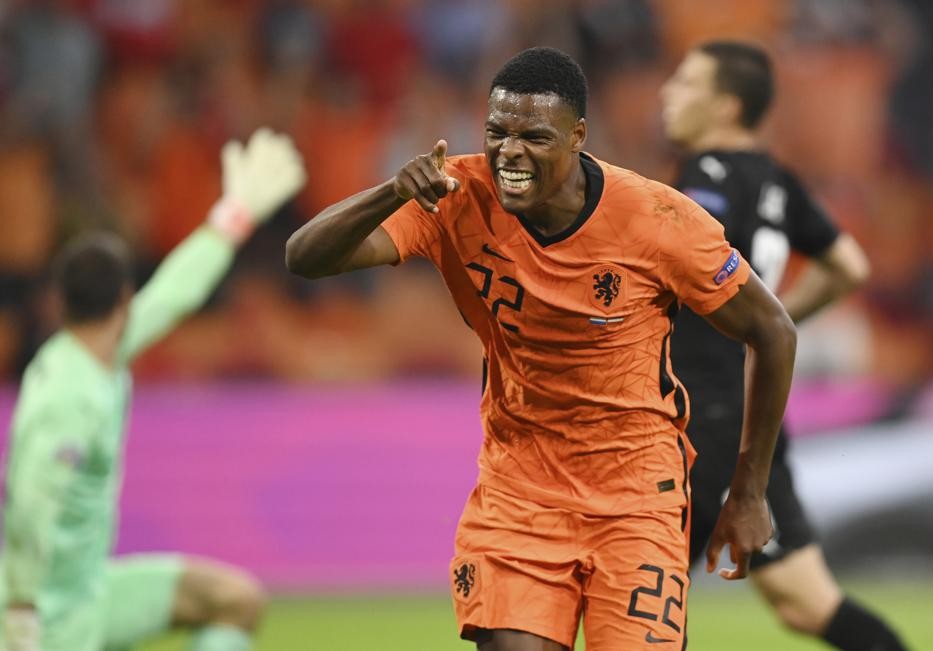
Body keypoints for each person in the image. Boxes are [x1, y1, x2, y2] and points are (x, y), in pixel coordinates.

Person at [287, 46, 796, 651]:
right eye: (497, 132)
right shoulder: (454, 197)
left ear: (578, 136)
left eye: (533, 136)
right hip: (519, 493)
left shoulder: (658, 219)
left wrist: (748, 491)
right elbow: (305, 258)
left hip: (636, 496)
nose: (509, 153)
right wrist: (393, 192)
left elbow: (773, 331)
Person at [1, 128, 306, 651]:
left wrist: (233, 216)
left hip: (87, 593)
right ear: (122, 299)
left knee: (236, 600)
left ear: (61, 304)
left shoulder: (95, 354)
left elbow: (173, 294)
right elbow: (30, 504)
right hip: (46, 621)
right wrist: (23, 615)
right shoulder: (67, 399)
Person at [661, 41, 909, 651]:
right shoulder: (777, 180)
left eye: (687, 82)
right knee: (807, 603)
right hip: (754, 417)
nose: (668, 92)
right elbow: (848, 264)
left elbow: (678, 261)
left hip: (693, 417)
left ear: (726, 105)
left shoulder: (705, 175)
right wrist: (768, 323)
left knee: (652, 600)